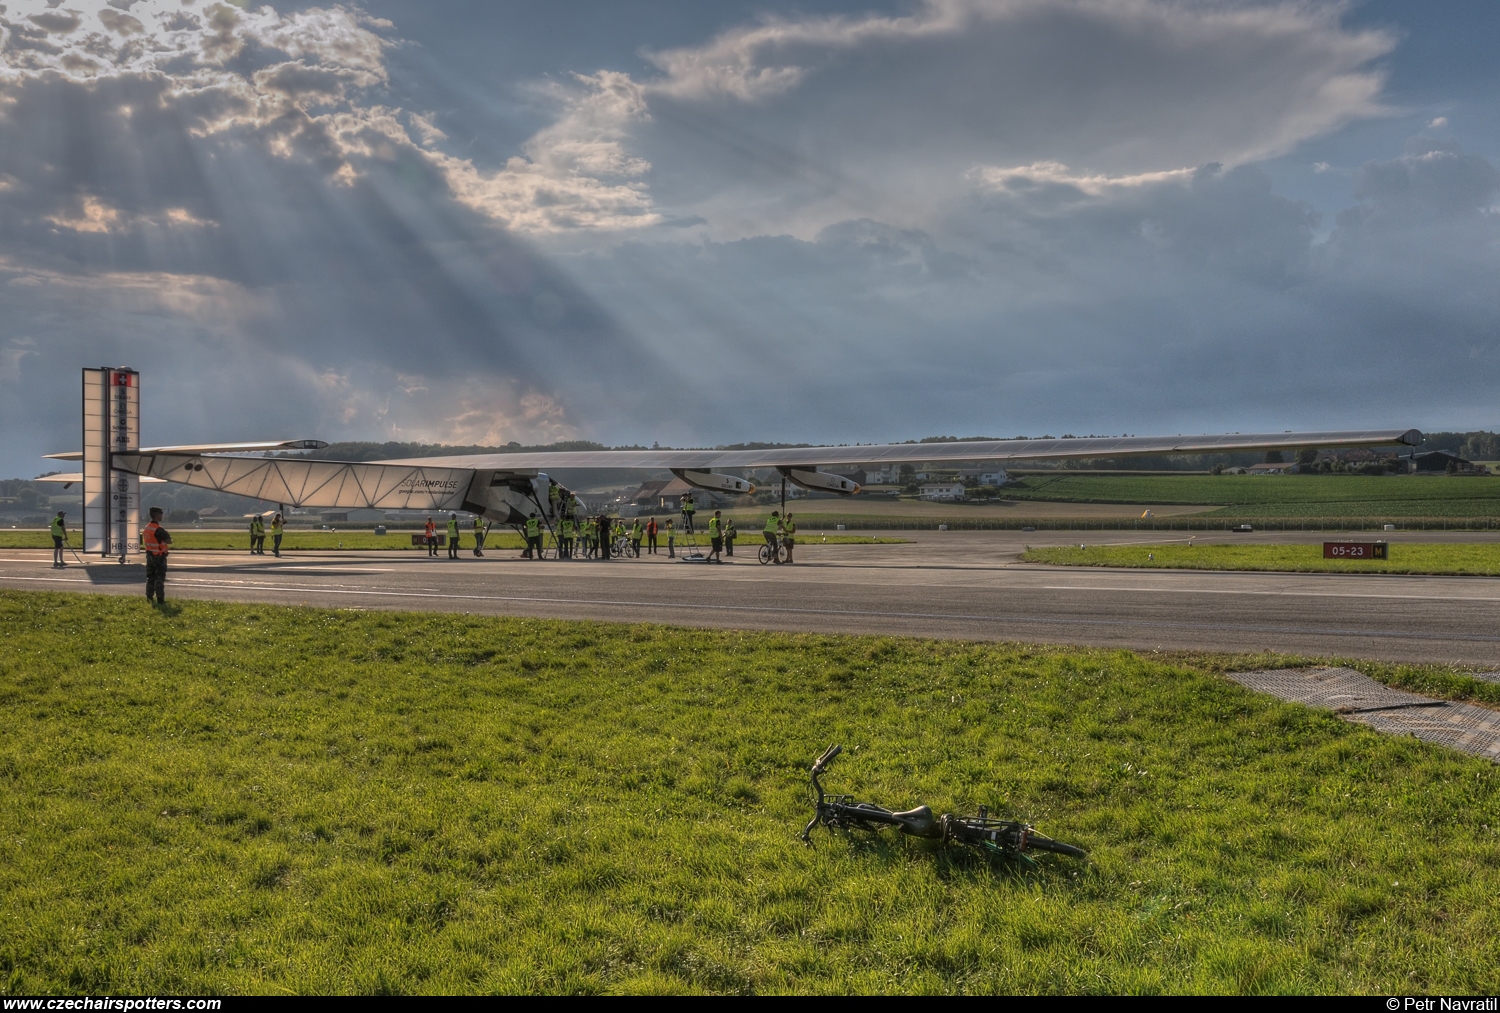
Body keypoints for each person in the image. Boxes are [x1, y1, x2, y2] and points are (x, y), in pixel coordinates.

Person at [142, 506, 172, 604]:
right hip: (159, 556)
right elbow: (169, 541)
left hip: (149, 555)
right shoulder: (158, 529)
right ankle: (160, 599)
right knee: (159, 578)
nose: (162, 516)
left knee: (150, 577)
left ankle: (149, 597)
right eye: (161, 514)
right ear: (157, 515)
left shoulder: (147, 528)